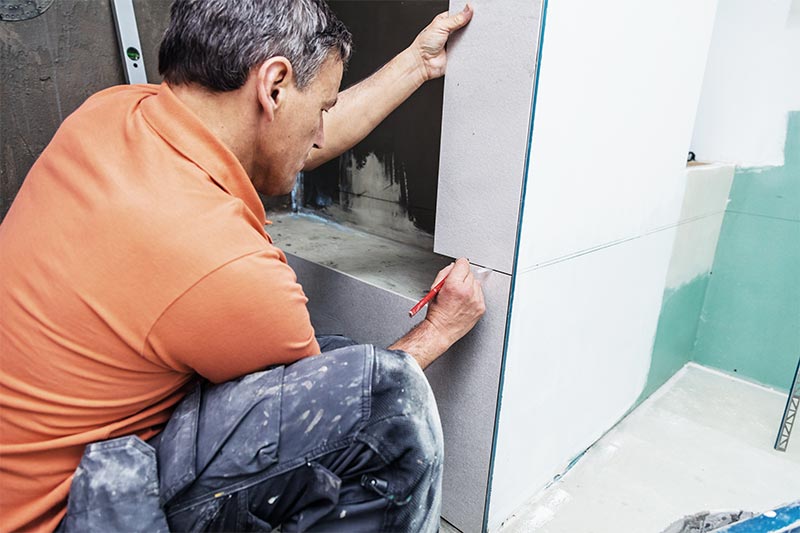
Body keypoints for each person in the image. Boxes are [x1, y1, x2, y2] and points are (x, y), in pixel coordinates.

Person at [0, 0, 483, 531]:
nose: (321, 132)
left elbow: (286, 144)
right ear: (274, 86)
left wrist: (418, 62)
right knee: (382, 394)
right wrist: (437, 331)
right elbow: (338, 411)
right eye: (320, 107)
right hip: (74, 516)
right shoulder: (229, 266)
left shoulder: (112, 113)